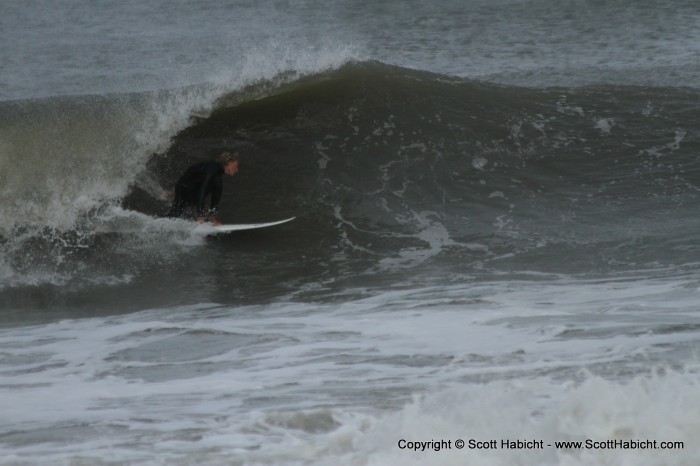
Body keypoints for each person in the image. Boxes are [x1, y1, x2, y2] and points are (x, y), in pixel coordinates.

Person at [167, 151, 239, 225]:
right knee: (175, 215)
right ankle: (161, 224)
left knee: (218, 185)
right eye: (235, 166)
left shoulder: (218, 175)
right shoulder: (211, 168)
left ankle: (210, 217)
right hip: (183, 187)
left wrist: (212, 216)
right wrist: (200, 215)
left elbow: (216, 196)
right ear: (228, 162)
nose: (237, 170)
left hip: (194, 189)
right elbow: (203, 190)